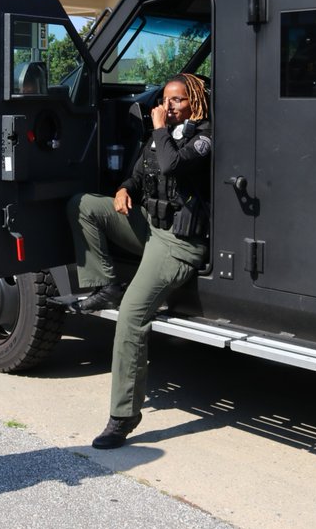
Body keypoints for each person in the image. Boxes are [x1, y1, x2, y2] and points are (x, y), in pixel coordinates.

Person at [66, 73, 212, 450]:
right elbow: (139, 173)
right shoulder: (161, 133)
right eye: (165, 99)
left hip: (178, 243)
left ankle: (123, 415)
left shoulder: (205, 137)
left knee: (132, 315)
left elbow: (171, 166)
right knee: (83, 205)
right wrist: (123, 189)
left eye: (177, 100)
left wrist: (161, 128)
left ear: (194, 101)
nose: (168, 106)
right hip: (148, 226)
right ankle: (105, 282)